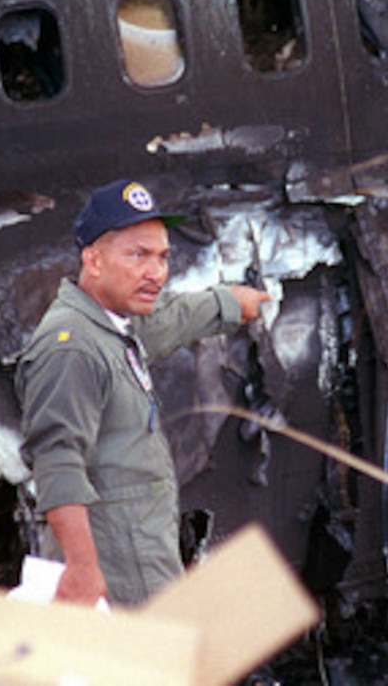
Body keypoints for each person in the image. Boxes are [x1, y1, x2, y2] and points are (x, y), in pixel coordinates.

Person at [16, 178, 270, 607]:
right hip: (118, 565)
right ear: (93, 261)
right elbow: (57, 461)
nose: (156, 272)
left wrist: (228, 302)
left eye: (163, 257)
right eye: (138, 255)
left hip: (141, 549)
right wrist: (82, 569)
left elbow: (167, 321)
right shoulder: (73, 347)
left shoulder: (111, 325)